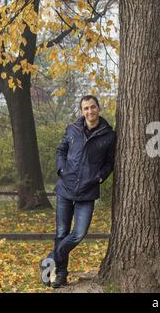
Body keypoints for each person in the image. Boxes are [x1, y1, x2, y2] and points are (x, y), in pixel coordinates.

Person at [39, 95, 116, 288]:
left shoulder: (108, 135)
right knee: (62, 232)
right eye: (86, 109)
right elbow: (60, 151)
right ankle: (61, 275)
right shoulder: (72, 130)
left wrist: (99, 178)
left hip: (88, 192)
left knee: (79, 233)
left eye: (92, 107)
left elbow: (109, 163)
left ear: (98, 108)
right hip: (66, 188)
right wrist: (62, 170)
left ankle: (49, 259)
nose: (90, 111)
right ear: (82, 111)